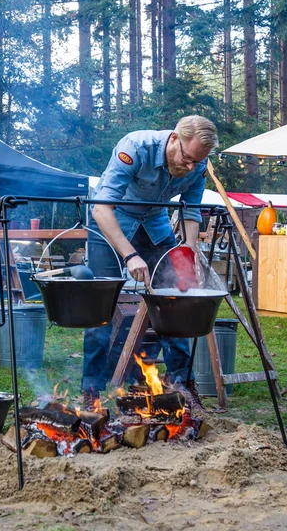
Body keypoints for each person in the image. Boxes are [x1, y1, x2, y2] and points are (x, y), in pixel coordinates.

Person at [82, 115, 219, 411]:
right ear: (173, 139)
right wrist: (130, 255)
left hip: (155, 226)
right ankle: (90, 390)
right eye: (187, 158)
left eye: (198, 162)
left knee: (176, 301)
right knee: (100, 307)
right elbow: (101, 208)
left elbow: (191, 212)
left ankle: (182, 383)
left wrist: (188, 253)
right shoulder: (135, 147)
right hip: (111, 223)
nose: (191, 167)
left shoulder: (197, 164)